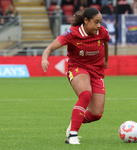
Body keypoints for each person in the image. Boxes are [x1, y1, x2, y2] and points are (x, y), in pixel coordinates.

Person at [41, 7, 110, 145]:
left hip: (96, 71)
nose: (98, 25)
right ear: (86, 20)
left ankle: (75, 121)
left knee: (96, 114)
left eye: (100, 22)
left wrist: (106, 60)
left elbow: (105, 42)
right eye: (96, 22)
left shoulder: (102, 32)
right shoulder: (72, 33)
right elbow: (49, 48)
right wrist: (44, 59)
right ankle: (72, 135)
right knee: (85, 94)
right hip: (78, 68)